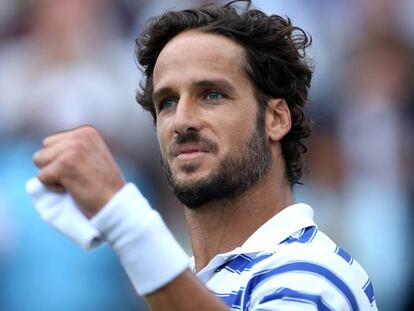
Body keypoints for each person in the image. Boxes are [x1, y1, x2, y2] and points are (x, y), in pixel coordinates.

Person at [29, 0, 378, 310]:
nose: (181, 121)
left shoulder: (315, 276)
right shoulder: (186, 288)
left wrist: (122, 218)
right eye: (166, 102)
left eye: (211, 94)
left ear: (275, 118)